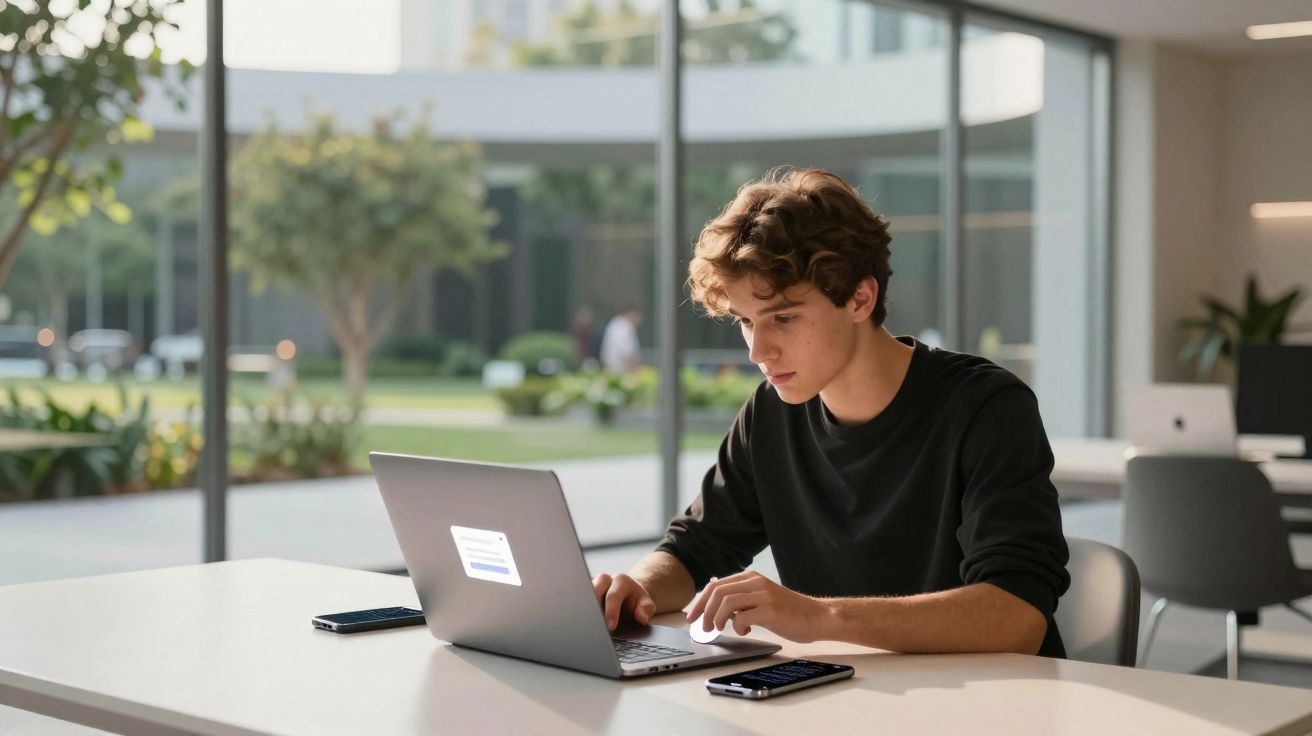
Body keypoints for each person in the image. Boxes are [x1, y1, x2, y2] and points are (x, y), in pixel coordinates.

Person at [592, 168, 1070, 657]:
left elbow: (1018, 615)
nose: (758, 351)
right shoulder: (773, 411)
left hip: (996, 706)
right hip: (850, 698)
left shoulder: (987, 407)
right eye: (744, 321)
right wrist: (638, 589)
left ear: (861, 298)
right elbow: (695, 547)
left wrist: (816, 616)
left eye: (783, 317)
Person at [599, 306, 642, 374]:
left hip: (609, 368)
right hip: (621, 371)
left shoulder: (614, 323)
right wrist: (636, 371)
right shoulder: (626, 327)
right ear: (632, 314)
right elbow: (628, 352)